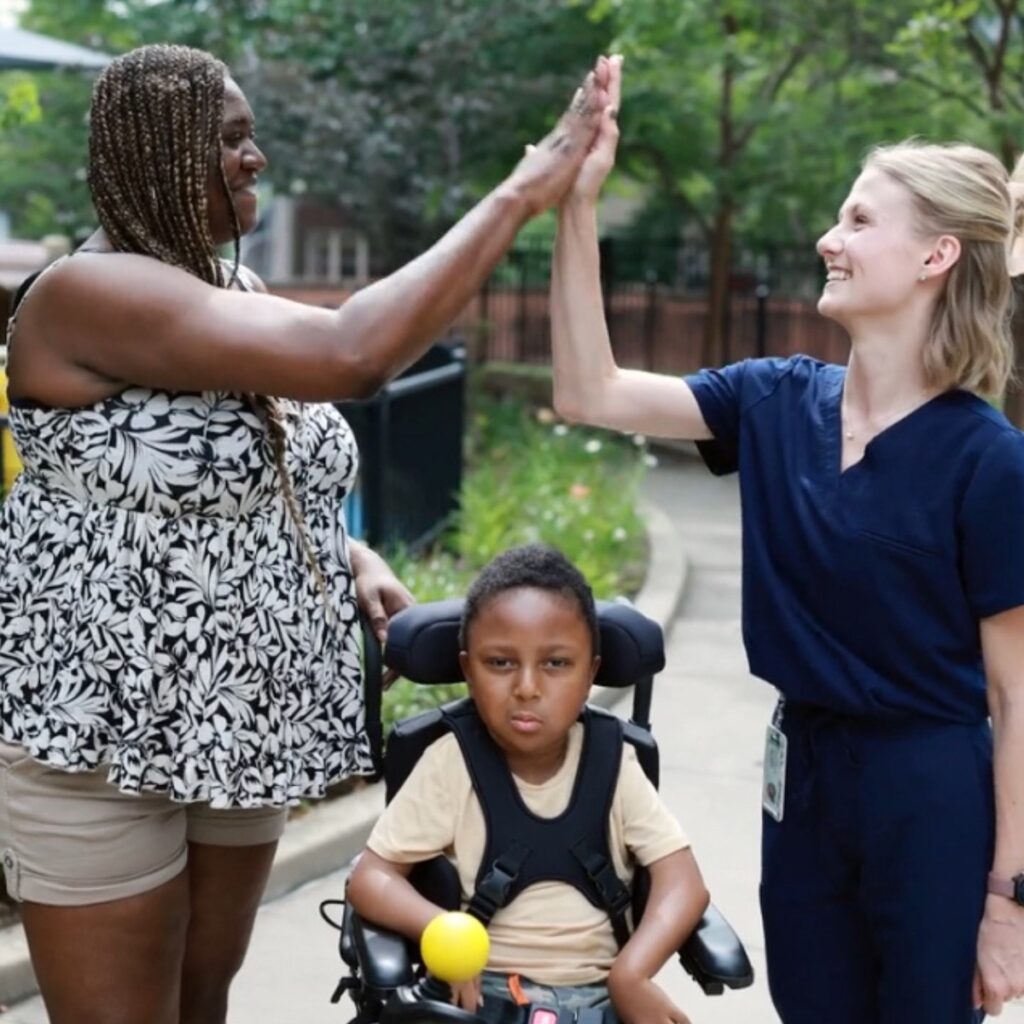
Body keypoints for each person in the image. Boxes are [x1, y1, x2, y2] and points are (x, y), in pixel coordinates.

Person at [0, 43, 610, 1024]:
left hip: (236, 730)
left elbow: (250, 476)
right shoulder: (86, 295)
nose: (258, 160)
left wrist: (345, 553)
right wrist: (522, 192)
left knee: (202, 1003)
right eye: (233, 140)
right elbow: (354, 353)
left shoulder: (228, 296)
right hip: (100, 738)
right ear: (161, 154)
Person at [548, 55, 1024, 1023]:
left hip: (929, 793)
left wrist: (1006, 901)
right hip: (799, 778)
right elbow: (586, 391)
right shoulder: (770, 400)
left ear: (935, 256)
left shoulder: (989, 461)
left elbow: (1017, 699)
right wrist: (576, 202)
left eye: (856, 220)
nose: (826, 239)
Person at [346, 544, 708, 1024]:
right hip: (478, 995)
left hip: (601, 997)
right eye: (500, 663)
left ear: (591, 674)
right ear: (468, 670)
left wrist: (632, 975)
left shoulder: (612, 762)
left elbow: (682, 880)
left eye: (556, 664)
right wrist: (440, 930)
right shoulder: (451, 765)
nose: (527, 687)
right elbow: (370, 877)